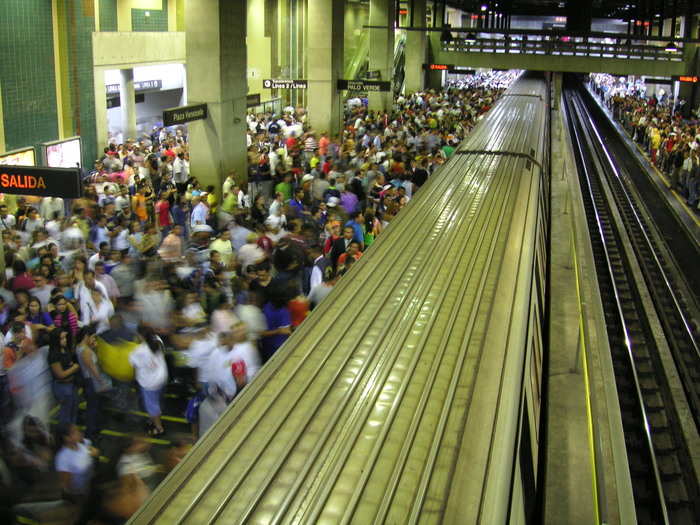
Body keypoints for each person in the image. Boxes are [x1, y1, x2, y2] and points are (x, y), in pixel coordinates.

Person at [129, 326, 168, 436]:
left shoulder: (139, 351)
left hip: (150, 382)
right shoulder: (158, 341)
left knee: (152, 405)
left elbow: (134, 367)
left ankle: (159, 428)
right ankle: (155, 418)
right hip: (162, 377)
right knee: (158, 400)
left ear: (141, 336)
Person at [55, 423, 98, 502]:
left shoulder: (83, 442)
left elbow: (94, 451)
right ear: (66, 438)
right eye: (74, 432)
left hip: (90, 485)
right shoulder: (63, 458)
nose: (79, 433)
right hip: (79, 494)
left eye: (78, 430)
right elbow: (66, 485)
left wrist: (93, 453)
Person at [49, 327, 80, 426]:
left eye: (65, 338)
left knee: (73, 410)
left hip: (71, 384)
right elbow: (60, 374)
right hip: (62, 387)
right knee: (66, 414)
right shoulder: (53, 354)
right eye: (62, 338)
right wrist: (74, 368)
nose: (65, 340)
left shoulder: (65, 349)